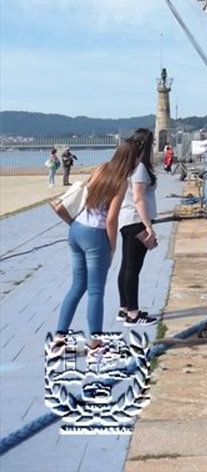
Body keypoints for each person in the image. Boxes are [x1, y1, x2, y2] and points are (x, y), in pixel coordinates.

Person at [50, 138, 143, 357]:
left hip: (77, 228)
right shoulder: (122, 181)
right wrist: (111, 247)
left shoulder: (101, 168)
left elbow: (84, 195)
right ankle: (96, 343)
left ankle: (60, 337)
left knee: (77, 285)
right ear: (134, 158)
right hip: (95, 235)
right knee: (96, 291)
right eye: (140, 156)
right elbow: (111, 219)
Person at [117, 128, 158, 326]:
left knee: (126, 266)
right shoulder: (140, 168)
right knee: (133, 268)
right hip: (136, 220)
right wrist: (148, 226)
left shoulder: (128, 166)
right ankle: (133, 315)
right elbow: (139, 199)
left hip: (126, 220)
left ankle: (124, 308)